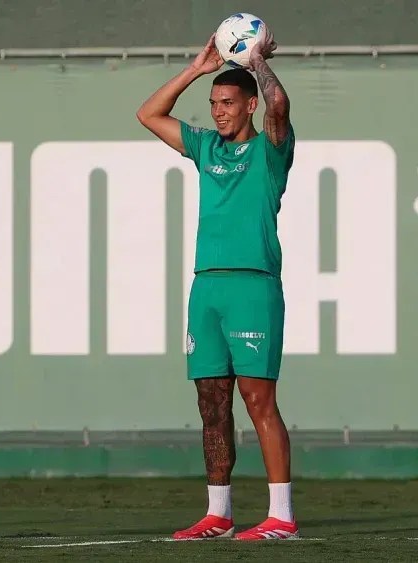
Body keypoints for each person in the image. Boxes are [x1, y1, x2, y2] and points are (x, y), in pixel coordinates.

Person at [135, 33, 297, 541]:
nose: (218, 112)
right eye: (213, 104)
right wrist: (196, 70)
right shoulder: (206, 147)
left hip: (253, 286)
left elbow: (278, 106)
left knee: (258, 399)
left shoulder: (271, 150)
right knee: (211, 402)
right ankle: (218, 514)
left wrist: (257, 63)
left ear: (249, 105)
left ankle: (282, 517)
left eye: (227, 103)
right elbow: (148, 114)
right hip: (206, 288)